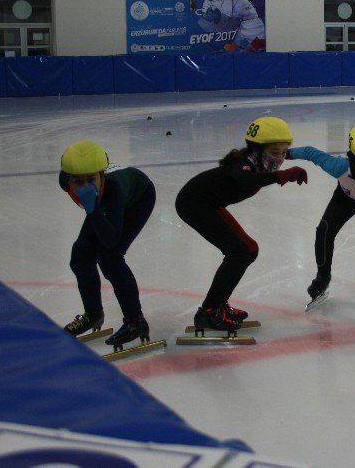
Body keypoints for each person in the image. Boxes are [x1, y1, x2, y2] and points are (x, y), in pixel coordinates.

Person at [176, 117, 308, 331]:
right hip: (194, 204)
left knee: (249, 250)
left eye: (284, 153)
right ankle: (209, 312)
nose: (280, 159)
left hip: (208, 203)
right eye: (275, 153)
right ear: (256, 149)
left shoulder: (257, 163)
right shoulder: (245, 164)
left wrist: (279, 174)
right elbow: (244, 181)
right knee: (239, 251)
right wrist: (281, 175)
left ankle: (218, 304)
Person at [288, 124, 355, 307]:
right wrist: (285, 154)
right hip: (345, 197)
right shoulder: (339, 167)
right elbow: (310, 153)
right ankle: (322, 277)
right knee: (324, 230)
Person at [59, 141, 156, 346]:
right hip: (103, 205)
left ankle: (135, 321)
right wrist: (93, 208)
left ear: (101, 176)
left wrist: (93, 209)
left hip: (138, 198)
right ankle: (93, 313)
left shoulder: (113, 190)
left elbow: (111, 240)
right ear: (68, 180)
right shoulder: (64, 180)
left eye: (91, 179)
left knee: (110, 258)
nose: (85, 186)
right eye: (78, 181)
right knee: (80, 256)